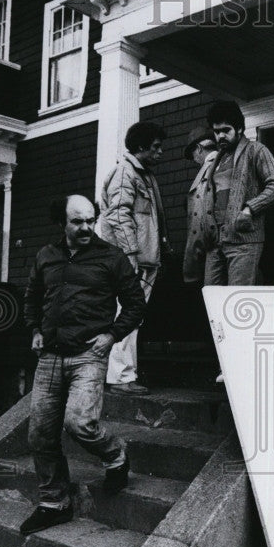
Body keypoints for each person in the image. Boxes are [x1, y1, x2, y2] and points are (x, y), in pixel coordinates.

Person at [22, 195, 146, 535]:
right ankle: (54, 503)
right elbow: (32, 297)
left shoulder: (111, 257)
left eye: (91, 220)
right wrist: (34, 329)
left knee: (80, 423)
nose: (86, 228)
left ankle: (115, 455)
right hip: (49, 355)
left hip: (89, 354)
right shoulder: (46, 256)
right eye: (78, 222)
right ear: (62, 223)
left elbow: (135, 303)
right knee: (40, 433)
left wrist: (112, 334)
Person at [99, 120, 170, 393]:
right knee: (127, 315)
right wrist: (130, 254)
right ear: (140, 147)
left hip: (144, 259)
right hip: (132, 260)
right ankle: (120, 377)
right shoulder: (125, 173)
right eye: (155, 147)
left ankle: (121, 375)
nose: (160, 152)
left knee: (131, 316)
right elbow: (118, 215)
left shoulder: (143, 175)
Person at [200, 100, 274, 287]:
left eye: (226, 130)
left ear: (239, 129)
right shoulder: (217, 160)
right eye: (216, 131)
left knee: (238, 301)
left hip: (243, 241)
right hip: (216, 242)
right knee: (213, 299)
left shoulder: (256, 150)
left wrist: (249, 209)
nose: (221, 135)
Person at [182, 126, 218, 285]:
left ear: (198, 149)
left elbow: (199, 217)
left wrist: (193, 261)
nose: (195, 161)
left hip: (212, 251)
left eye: (193, 156)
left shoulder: (209, 169)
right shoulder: (227, 161)